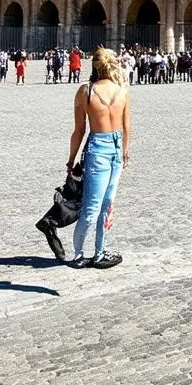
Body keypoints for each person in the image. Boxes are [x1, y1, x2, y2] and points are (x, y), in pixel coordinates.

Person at [66, 47, 130, 269]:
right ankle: (98, 253)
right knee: (105, 205)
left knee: (92, 208)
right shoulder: (122, 90)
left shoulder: (85, 91)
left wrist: (71, 159)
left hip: (98, 148)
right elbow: (127, 126)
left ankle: (79, 254)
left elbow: (79, 131)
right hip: (115, 148)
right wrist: (124, 150)